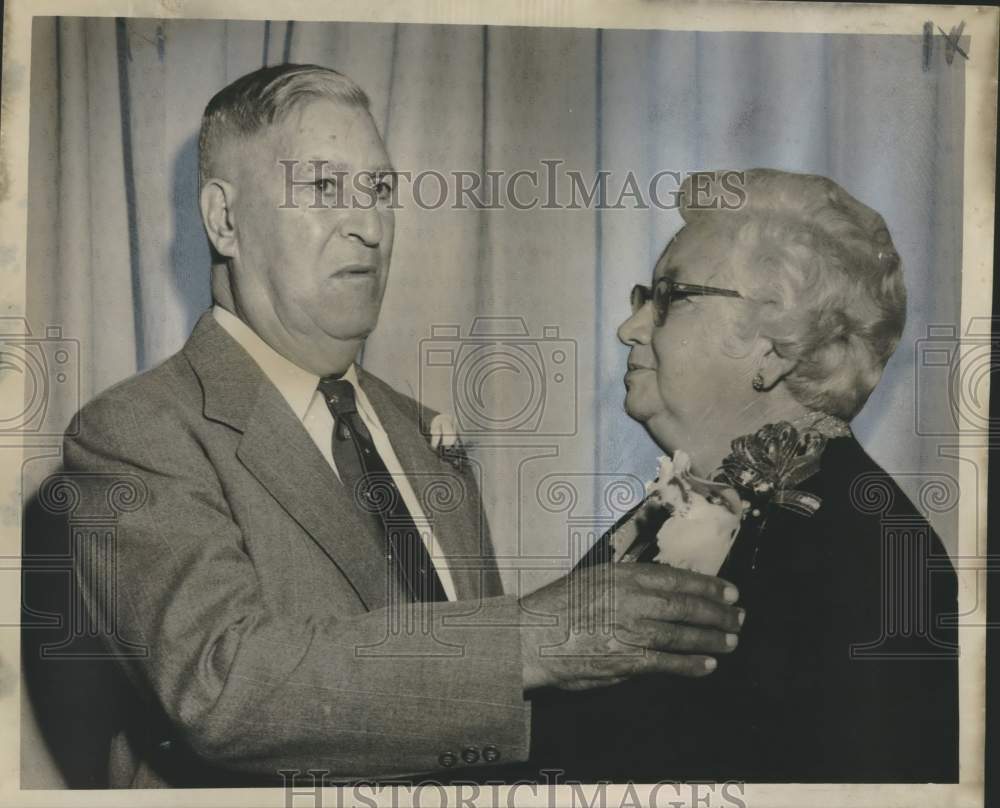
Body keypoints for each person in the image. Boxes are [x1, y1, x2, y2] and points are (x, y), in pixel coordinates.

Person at [59, 64, 745, 788]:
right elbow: (223, 686)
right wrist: (538, 637)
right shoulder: (135, 433)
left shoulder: (422, 434)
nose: (368, 225)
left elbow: (470, 717)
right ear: (224, 219)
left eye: (379, 190)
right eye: (323, 188)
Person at [523, 169, 959, 783]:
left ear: (775, 348)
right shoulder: (673, 512)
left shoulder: (878, 553)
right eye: (642, 297)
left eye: (670, 296)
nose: (630, 328)